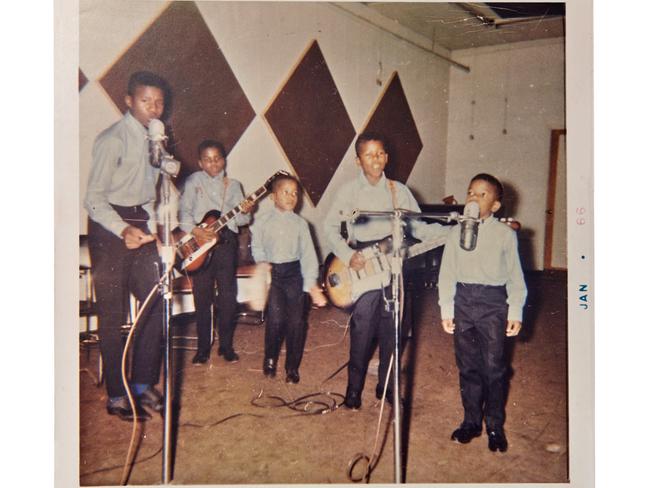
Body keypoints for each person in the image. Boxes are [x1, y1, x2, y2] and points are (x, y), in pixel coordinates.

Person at [323, 132, 448, 409]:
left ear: (387, 157)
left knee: (395, 330)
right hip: (362, 267)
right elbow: (329, 228)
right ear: (358, 161)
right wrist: (347, 254)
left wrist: (448, 232)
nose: (375, 159)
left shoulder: (398, 191)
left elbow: (417, 227)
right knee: (362, 331)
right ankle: (353, 390)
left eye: (380, 153)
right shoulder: (348, 192)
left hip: (394, 267)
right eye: (369, 154)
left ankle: (387, 387)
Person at [84, 71, 171, 421]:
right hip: (109, 227)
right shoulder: (112, 139)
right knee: (113, 313)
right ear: (129, 100)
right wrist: (122, 230)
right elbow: (92, 199)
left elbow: (151, 191)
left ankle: (143, 384)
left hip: (139, 223)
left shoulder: (156, 139)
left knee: (154, 302)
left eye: (159, 102)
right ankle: (118, 395)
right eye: (146, 101)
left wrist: (155, 228)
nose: (154, 108)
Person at [437, 173, 527, 452]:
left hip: (492, 303)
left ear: (496, 206)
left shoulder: (504, 234)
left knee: (494, 368)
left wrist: (515, 309)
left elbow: (515, 275)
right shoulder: (455, 233)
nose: (474, 198)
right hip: (463, 300)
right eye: (470, 193)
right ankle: (471, 421)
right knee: (468, 367)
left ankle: (495, 426)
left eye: (482, 194)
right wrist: (446, 306)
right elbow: (447, 272)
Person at [178, 140, 254, 364]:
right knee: (202, 297)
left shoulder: (233, 185)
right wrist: (195, 231)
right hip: (201, 244)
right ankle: (203, 348)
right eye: (208, 159)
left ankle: (226, 346)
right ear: (200, 162)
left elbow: (241, 220)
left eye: (218, 158)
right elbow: (183, 213)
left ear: (224, 160)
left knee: (228, 297)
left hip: (226, 244)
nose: (214, 163)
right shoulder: (193, 182)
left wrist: (247, 210)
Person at [250, 174, 327, 383]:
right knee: (275, 320)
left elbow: (309, 255)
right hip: (273, 273)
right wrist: (262, 262)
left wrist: (311, 284)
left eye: (295, 193)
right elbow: (257, 247)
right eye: (286, 192)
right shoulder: (261, 222)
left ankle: (292, 367)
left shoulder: (302, 224)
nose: (292, 197)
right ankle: (270, 358)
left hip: (295, 274)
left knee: (296, 322)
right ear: (274, 197)